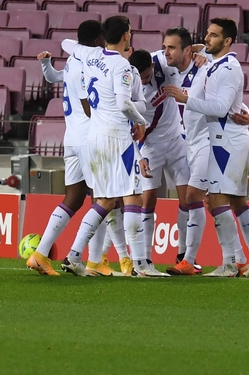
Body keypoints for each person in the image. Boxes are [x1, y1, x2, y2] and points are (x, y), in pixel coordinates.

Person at [59, 15, 165, 278]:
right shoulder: (122, 66)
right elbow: (123, 103)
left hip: (94, 136)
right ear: (127, 35)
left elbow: (67, 44)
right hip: (116, 138)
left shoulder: (91, 57)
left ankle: (73, 255)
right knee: (133, 196)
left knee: (105, 200)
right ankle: (141, 264)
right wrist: (141, 121)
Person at [168, 18, 249, 278]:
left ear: (228, 41)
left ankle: (230, 264)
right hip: (222, 140)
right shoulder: (215, 64)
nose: (208, 39)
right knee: (236, 201)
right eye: (208, 34)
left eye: (214, 35)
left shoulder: (228, 68)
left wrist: (185, 98)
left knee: (218, 201)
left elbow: (222, 107)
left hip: (227, 141)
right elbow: (231, 104)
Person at [27, 20, 106, 276]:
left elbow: (53, 76)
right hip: (88, 138)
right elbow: (88, 103)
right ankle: (94, 261)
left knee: (73, 199)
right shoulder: (89, 64)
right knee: (102, 198)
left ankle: (40, 254)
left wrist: (45, 64)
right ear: (97, 42)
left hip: (70, 138)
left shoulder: (73, 60)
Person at [128, 47, 192, 275]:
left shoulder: (161, 61)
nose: (144, 82)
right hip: (150, 146)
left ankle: (183, 256)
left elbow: (183, 49)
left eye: (146, 77)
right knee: (148, 200)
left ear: (152, 68)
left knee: (187, 198)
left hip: (176, 139)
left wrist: (200, 52)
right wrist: (140, 155)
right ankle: (145, 258)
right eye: (140, 78)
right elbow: (128, 129)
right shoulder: (127, 87)